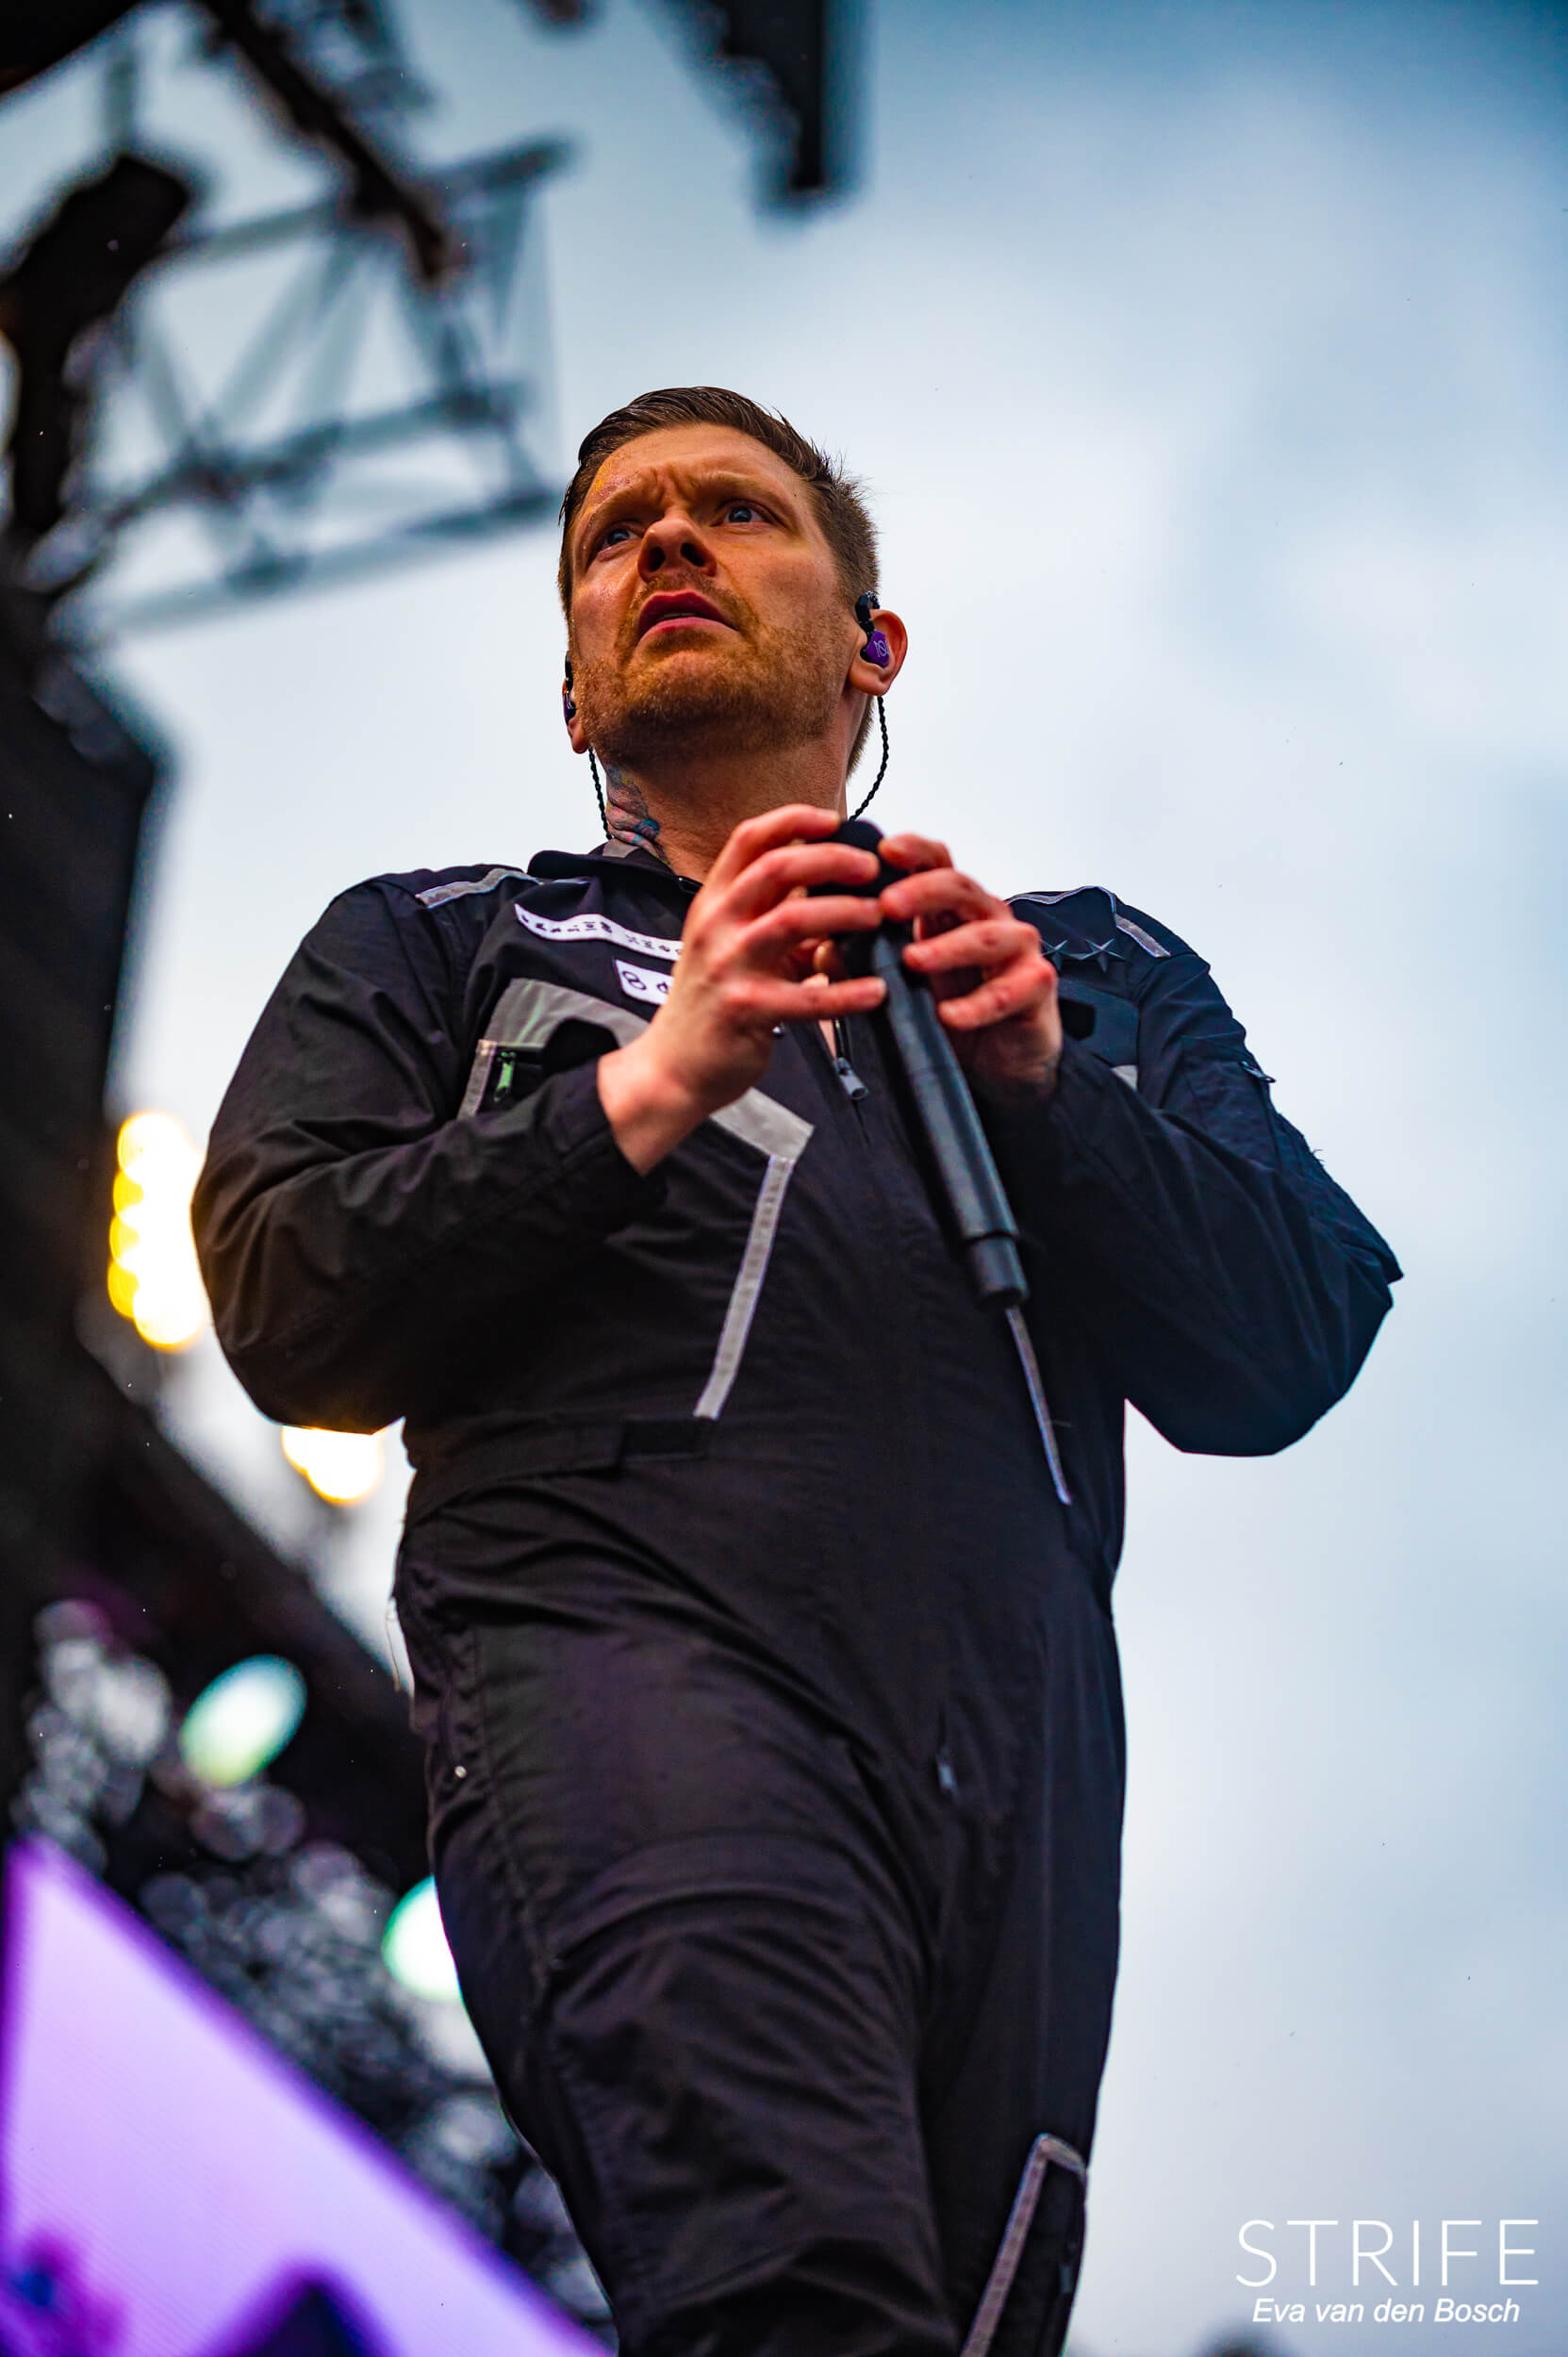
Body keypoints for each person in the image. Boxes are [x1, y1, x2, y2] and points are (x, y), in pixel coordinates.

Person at [192, 386, 1400, 2357]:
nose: (667, 541)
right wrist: (645, 1089)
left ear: (871, 645)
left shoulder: (1088, 972)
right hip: (616, 1667)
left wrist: (1049, 1088)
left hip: (1016, 1773)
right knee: (800, 2294)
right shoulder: (437, 944)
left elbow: (1291, 1342)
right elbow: (281, 1299)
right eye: (615, 534)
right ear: (574, 691)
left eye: (736, 511)